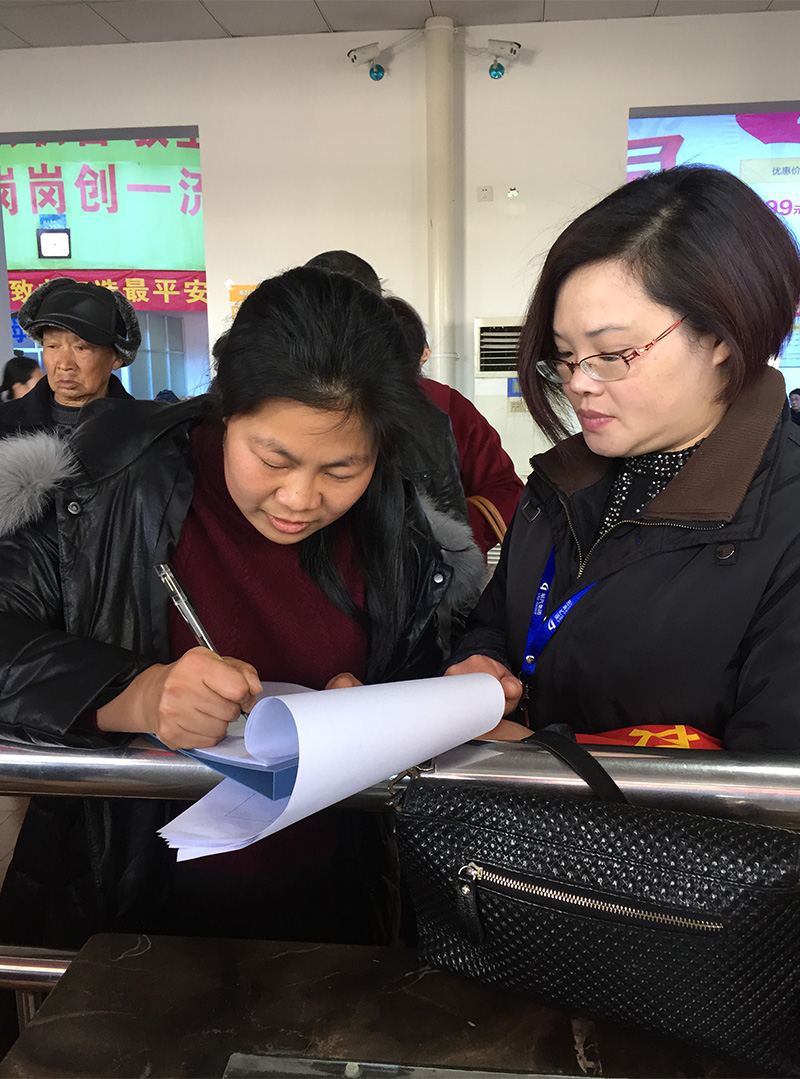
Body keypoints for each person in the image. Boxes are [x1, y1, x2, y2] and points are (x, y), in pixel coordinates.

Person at [0, 266, 485, 951]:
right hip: (127, 895)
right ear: (225, 410)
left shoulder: (396, 524)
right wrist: (137, 694)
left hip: (334, 892)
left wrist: (378, 706)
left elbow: (416, 671)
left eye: (341, 469)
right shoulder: (103, 487)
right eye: (273, 459)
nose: (300, 499)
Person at [448, 164, 800, 752]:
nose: (578, 383)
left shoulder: (786, 516)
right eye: (564, 355)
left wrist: (535, 757)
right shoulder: (558, 485)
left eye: (611, 354)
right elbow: (496, 622)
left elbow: (771, 788)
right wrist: (480, 659)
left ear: (721, 336)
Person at [386, 294, 524, 554]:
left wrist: (443, 531)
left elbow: (506, 491)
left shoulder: (447, 406)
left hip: (438, 565)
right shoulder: (448, 404)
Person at [0, 278, 140, 438]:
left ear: (117, 357)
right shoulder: (4, 424)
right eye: (52, 346)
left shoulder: (147, 430)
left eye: (81, 348)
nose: (64, 364)